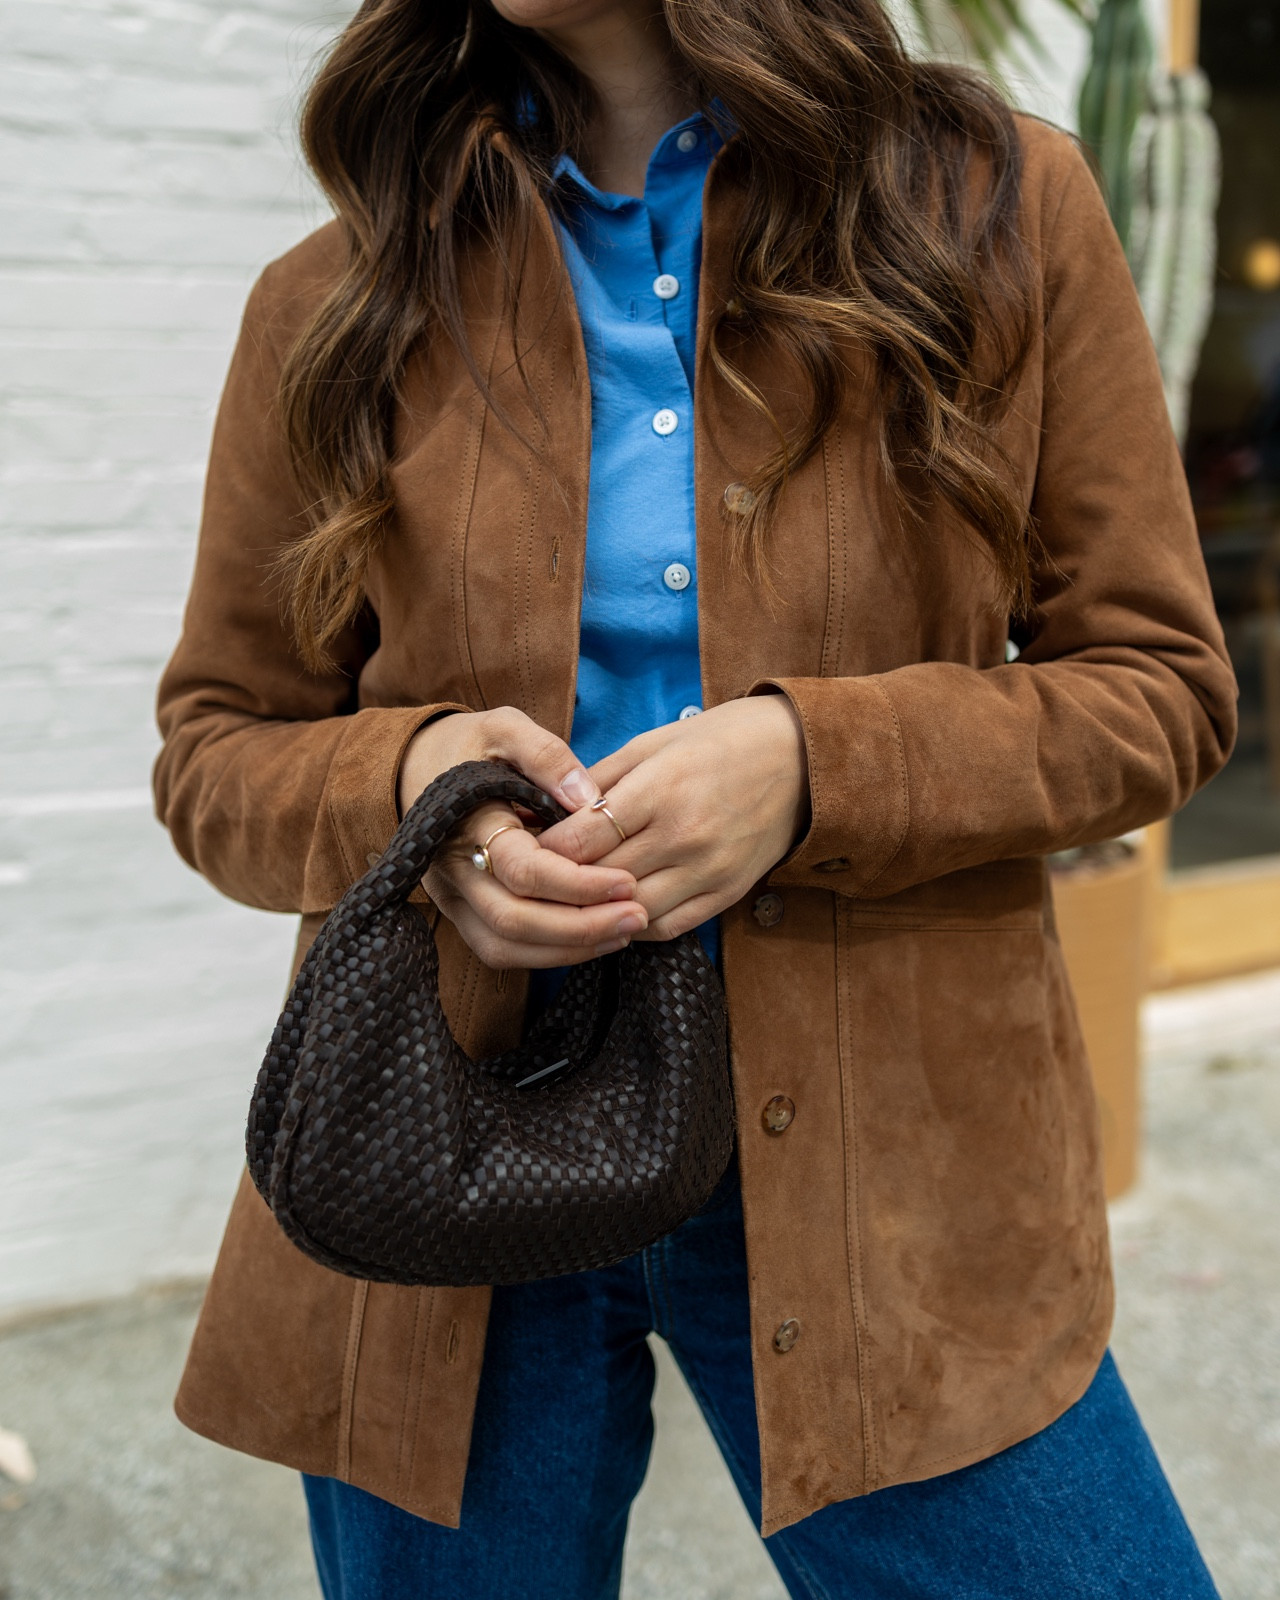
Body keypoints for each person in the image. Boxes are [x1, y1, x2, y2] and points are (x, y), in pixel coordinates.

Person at [153, 1, 1238, 1594]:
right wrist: (415, 783)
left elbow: (1160, 687)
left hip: (892, 1143)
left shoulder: (987, 206)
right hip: (448, 1135)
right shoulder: (343, 290)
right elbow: (215, 749)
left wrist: (814, 765)